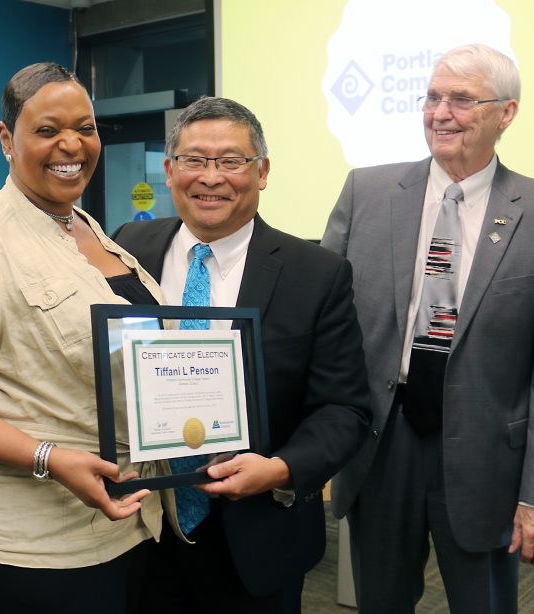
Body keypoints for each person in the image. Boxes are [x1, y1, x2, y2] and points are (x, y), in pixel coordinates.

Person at [322, 43, 534, 613]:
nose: (440, 113)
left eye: (461, 100)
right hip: (380, 446)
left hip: (487, 458)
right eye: (433, 97)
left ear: (506, 113)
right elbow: (326, 328)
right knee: (379, 602)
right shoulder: (365, 192)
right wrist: (318, 443)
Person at [0, 62, 164, 613]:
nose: (72, 144)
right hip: (27, 547)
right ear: (6, 139)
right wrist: (50, 457)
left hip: (127, 522)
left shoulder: (89, 228)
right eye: (47, 130)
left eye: (85, 128)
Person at [112, 96, 372, 613]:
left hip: (255, 536)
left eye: (231, 161)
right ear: (169, 171)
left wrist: (279, 469)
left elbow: (345, 409)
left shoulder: (315, 273)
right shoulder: (126, 247)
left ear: (263, 171)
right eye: (194, 160)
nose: (211, 177)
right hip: (139, 527)